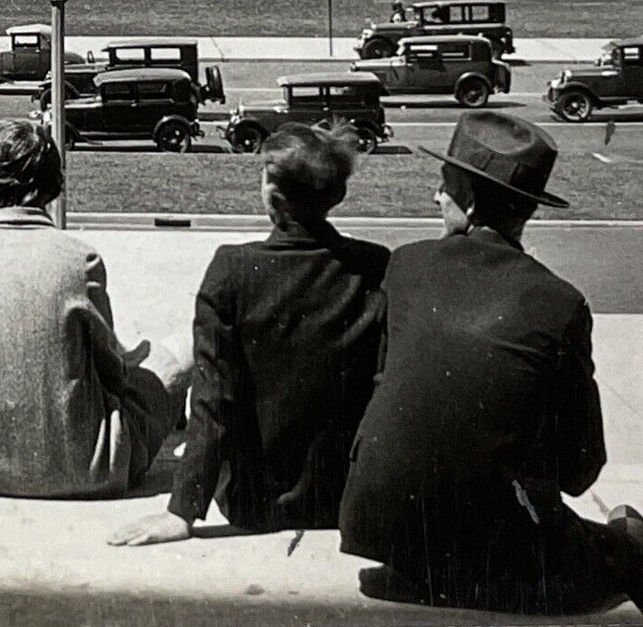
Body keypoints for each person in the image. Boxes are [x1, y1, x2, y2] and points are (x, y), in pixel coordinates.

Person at [339, 113, 643, 615]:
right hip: (494, 552)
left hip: (386, 536)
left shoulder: (406, 264)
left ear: (472, 203)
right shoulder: (559, 301)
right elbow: (582, 469)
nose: (435, 197)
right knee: (628, 534)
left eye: (444, 187)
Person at [109, 124, 388, 547]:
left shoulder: (232, 271)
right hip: (342, 498)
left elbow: (212, 400)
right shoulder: (374, 266)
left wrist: (183, 510)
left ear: (272, 196)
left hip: (254, 502)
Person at [0, 120, 190, 499]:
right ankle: (171, 421)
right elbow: (114, 376)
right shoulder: (79, 260)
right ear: (51, 184)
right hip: (92, 468)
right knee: (180, 351)